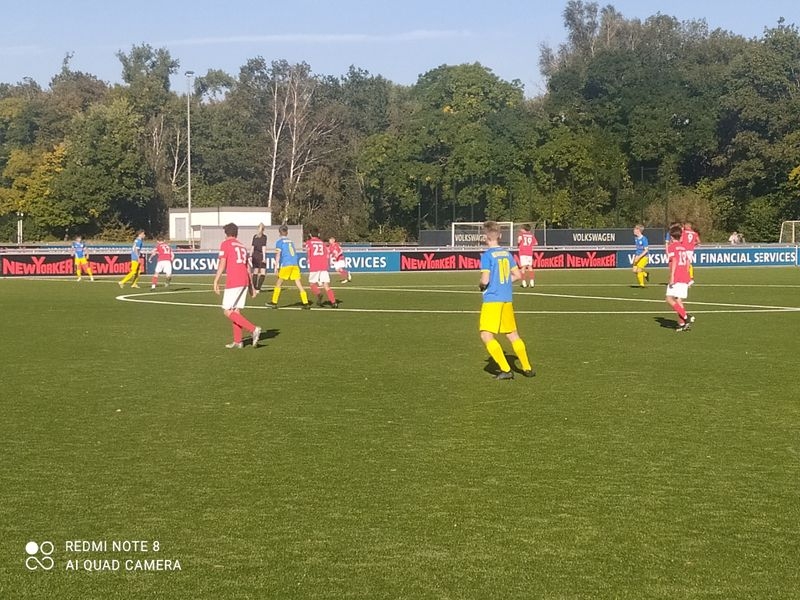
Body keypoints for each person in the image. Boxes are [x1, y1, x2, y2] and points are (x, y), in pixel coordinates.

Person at [479, 220, 534, 380]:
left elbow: (485, 279)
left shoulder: (487, 256)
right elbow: (518, 275)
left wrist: (481, 285)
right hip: (506, 299)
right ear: (500, 236)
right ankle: (527, 367)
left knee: (486, 335)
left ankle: (505, 369)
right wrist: (503, 282)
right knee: (512, 334)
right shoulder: (507, 254)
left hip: (492, 300)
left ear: (485, 237)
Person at [213, 223, 261, 349]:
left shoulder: (225, 244)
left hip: (234, 281)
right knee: (236, 311)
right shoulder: (242, 246)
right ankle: (238, 341)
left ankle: (253, 329)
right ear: (236, 233)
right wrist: (251, 286)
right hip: (244, 280)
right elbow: (248, 267)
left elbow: (222, 263)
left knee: (227, 310)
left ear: (226, 233)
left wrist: (216, 280)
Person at [266, 225, 310, 309]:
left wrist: (276, 267)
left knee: (279, 283)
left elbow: (278, 255)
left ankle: (274, 302)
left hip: (286, 264)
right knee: (298, 283)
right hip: (295, 264)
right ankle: (306, 302)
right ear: (287, 232)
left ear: (279, 233)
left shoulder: (280, 242)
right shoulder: (291, 242)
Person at [666, 224, 695, 332]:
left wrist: (672, 276)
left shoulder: (672, 247)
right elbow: (687, 262)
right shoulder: (683, 247)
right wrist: (687, 277)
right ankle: (682, 323)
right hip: (684, 276)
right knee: (678, 300)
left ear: (671, 236)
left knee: (669, 299)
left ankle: (686, 317)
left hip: (677, 276)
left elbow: (674, 260)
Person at [304, 228, 338, 308]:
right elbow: (327, 254)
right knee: (326, 285)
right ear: (318, 234)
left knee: (312, 283)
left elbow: (308, 252)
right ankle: (334, 302)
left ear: (310, 235)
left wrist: (308, 259)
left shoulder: (309, 242)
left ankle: (319, 293)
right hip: (323, 266)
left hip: (315, 265)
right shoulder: (322, 243)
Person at [516, 224, 538, 288]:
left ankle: (524, 283)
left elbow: (519, 241)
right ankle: (532, 282)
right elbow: (536, 243)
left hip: (523, 252)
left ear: (524, 229)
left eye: (521, 228)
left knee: (523, 267)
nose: (520, 230)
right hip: (529, 253)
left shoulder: (521, 235)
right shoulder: (531, 235)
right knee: (530, 267)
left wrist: (518, 245)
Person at [251, 223, 268, 294]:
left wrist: (250, 256)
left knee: (255, 271)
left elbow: (252, 247)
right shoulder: (264, 237)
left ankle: (254, 288)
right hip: (260, 255)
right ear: (263, 229)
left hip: (255, 255)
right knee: (263, 272)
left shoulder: (255, 236)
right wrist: (264, 257)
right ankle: (258, 288)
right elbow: (263, 247)